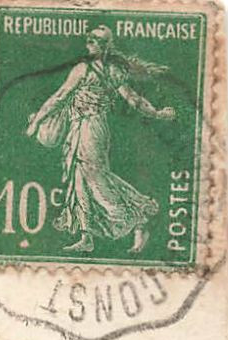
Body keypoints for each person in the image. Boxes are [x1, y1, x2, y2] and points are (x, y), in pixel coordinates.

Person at [25, 25, 177, 254]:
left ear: (105, 45)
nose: (89, 42)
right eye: (89, 38)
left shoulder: (86, 70)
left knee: (96, 179)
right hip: (81, 128)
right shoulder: (108, 71)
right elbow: (132, 98)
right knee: (79, 181)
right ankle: (87, 237)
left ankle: (139, 218)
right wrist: (156, 113)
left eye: (94, 39)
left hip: (91, 128)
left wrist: (37, 121)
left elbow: (61, 96)